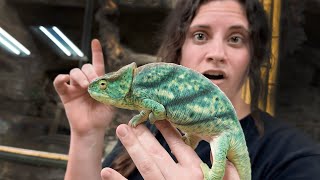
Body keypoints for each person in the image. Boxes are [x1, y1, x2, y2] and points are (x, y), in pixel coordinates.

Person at [53, 0, 320, 179]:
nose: (216, 54)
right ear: (179, 49)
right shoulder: (154, 132)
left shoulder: (294, 158)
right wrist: (87, 134)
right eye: (200, 35)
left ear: (254, 56)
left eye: (236, 38)